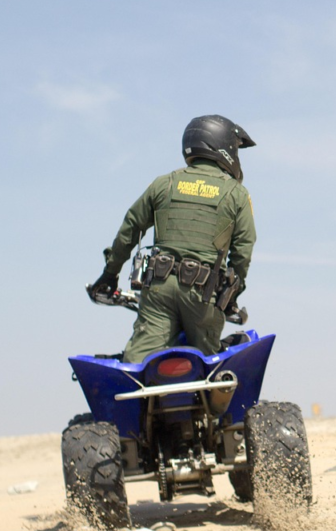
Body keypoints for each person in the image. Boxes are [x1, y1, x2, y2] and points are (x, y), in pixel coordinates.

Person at [91, 115, 257, 363]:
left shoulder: (163, 184)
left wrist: (110, 273)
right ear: (224, 148)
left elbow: (130, 229)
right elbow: (243, 252)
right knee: (208, 369)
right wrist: (233, 294)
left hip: (159, 289)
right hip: (203, 296)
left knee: (138, 364)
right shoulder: (237, 194)